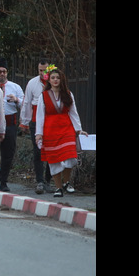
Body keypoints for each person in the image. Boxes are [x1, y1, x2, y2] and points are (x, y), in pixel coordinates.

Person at [35, 66, 86, 197]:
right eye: (53, 78)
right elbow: (40, 115)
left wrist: (78, 129)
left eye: (58, 78)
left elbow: (73, 112)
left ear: (61, 79)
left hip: (66, 128)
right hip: (50, 129)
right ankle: (58, 188)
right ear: (49, 80)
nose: (55, 80)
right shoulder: (44, 96)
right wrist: (39, 133)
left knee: (71, 157)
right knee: (54, 160)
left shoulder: (68, 94)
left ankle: (67, 182)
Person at [20, 58, 51, 194]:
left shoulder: (55, 82)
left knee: (51, 151)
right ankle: (39, 181)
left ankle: (49, 180)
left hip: (51, 122)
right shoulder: (32, 83)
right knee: (38, 151)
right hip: (35, 122)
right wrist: (24, 122)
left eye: (45, 70)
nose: (43, 73)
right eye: (40, 70)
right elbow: (26, 103)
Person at [0, 57, 24, 191]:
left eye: (4, 72)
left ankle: (3, 181)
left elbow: (25, 105)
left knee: (8, 154)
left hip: (10, 123)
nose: (2, 74)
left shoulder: (15, 87)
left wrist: (16, 100)